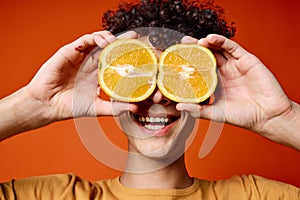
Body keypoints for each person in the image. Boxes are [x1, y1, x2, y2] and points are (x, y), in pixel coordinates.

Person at [0, 0, 299, 199]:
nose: (157, 94)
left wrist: (281, 118)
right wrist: (32, 104)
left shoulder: (255, 196)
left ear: (206, 89)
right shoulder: (54, 195)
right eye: (136, 75)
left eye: (177, 76)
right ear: (110, 84)